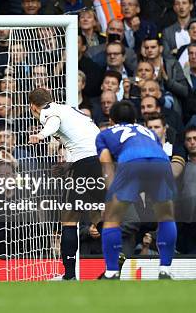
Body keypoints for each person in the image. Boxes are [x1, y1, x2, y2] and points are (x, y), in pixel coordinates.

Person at [27, 88, 103, 280]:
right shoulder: (69, 109)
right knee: (97, 215)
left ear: (32, 107)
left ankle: (69, 275)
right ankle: (117, 255)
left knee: (69, 219)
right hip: (101, 161)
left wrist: (41, 135)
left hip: (85, 162)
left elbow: (53, 123)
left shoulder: (48, 112)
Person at [95, 100, 176, 279]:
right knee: (166, 217)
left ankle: (111, 271)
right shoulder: (148, 131)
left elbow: (106, 164)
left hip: (131, 161)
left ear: (111, 120)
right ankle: (165, 270)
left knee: (112, 219)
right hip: (161, 162)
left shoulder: (105, 134)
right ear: (134, 119)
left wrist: (111, 195)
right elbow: (155, 152)